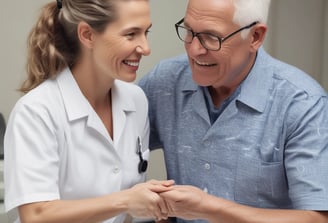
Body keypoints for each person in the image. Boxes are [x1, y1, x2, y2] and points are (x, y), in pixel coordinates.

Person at [139, 0, 328, 222]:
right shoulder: (166, 80)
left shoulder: (303, 103)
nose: (194, 49)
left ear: (255, 37)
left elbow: (317, 218)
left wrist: (210, 209)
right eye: (189, 31)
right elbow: (110, 142)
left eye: (211, 37)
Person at [4, 0, 174, 223]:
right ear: (87, 35)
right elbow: (36, 215)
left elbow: (125, 206)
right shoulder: (37, 111)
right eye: (131, 34)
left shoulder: (136, 100)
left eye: (146, 32)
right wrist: (126, 201)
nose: (146, 48)